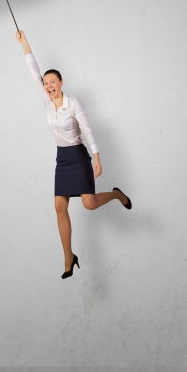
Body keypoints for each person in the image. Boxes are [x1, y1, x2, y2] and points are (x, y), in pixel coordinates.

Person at [15, 30, 132, 279]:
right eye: (45, 83)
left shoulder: (74, 103)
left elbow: (87, 129)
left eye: (52, 82)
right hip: (62, 159)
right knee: (59, 206)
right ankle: (68, 255)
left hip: (78, 157)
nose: (48, 86)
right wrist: (25, 44)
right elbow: (33, 70)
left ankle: (115, 194)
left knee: (89, 204)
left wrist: (97, 156)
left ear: (61, 83)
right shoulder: (46, 103)